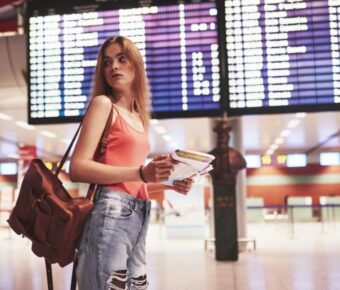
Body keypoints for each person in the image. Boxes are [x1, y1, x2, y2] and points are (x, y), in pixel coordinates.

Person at [69, 36, 193, 290]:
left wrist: (170, 184)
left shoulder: (139, 118)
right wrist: (142, 172)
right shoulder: (103, 105)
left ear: (136, 65)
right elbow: (77, 168)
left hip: (138, 216)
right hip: (109, 216)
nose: (113, 67)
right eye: (107, 62)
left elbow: (133, 183)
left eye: (121, 59)